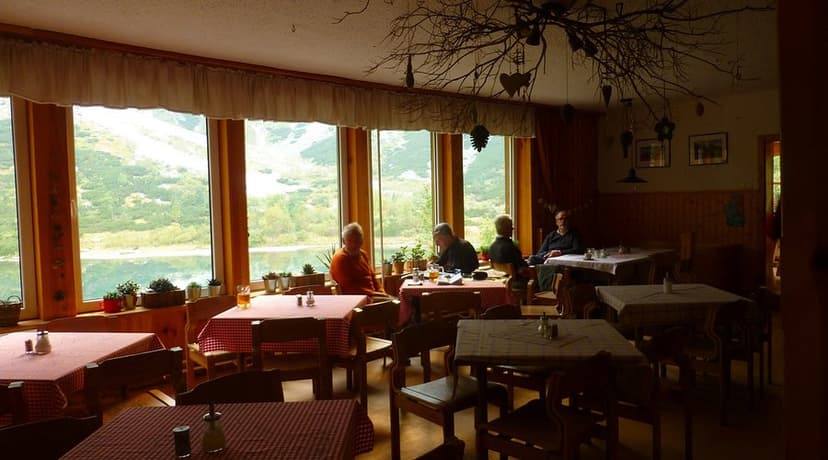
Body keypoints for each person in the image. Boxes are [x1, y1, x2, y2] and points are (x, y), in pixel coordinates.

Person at [329, 222, 387, 298]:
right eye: (350, 240)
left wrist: (381, 291)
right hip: (357, 300)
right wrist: (378, 294)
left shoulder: (363, 254)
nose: (354, 244)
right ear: (343, 241)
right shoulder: (340, 258)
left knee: (397, 303)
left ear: (362, 240)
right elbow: (350, 288)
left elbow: (373, 277)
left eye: (357, 240)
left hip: (373, 296)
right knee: (396, 305)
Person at [488, 214, 530, 279]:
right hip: (517, 282)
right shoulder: (510, 248)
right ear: (506, 228)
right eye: (511, 226)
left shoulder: (492, 247)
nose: (513, 228)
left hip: (501, 281)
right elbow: (522, 268)